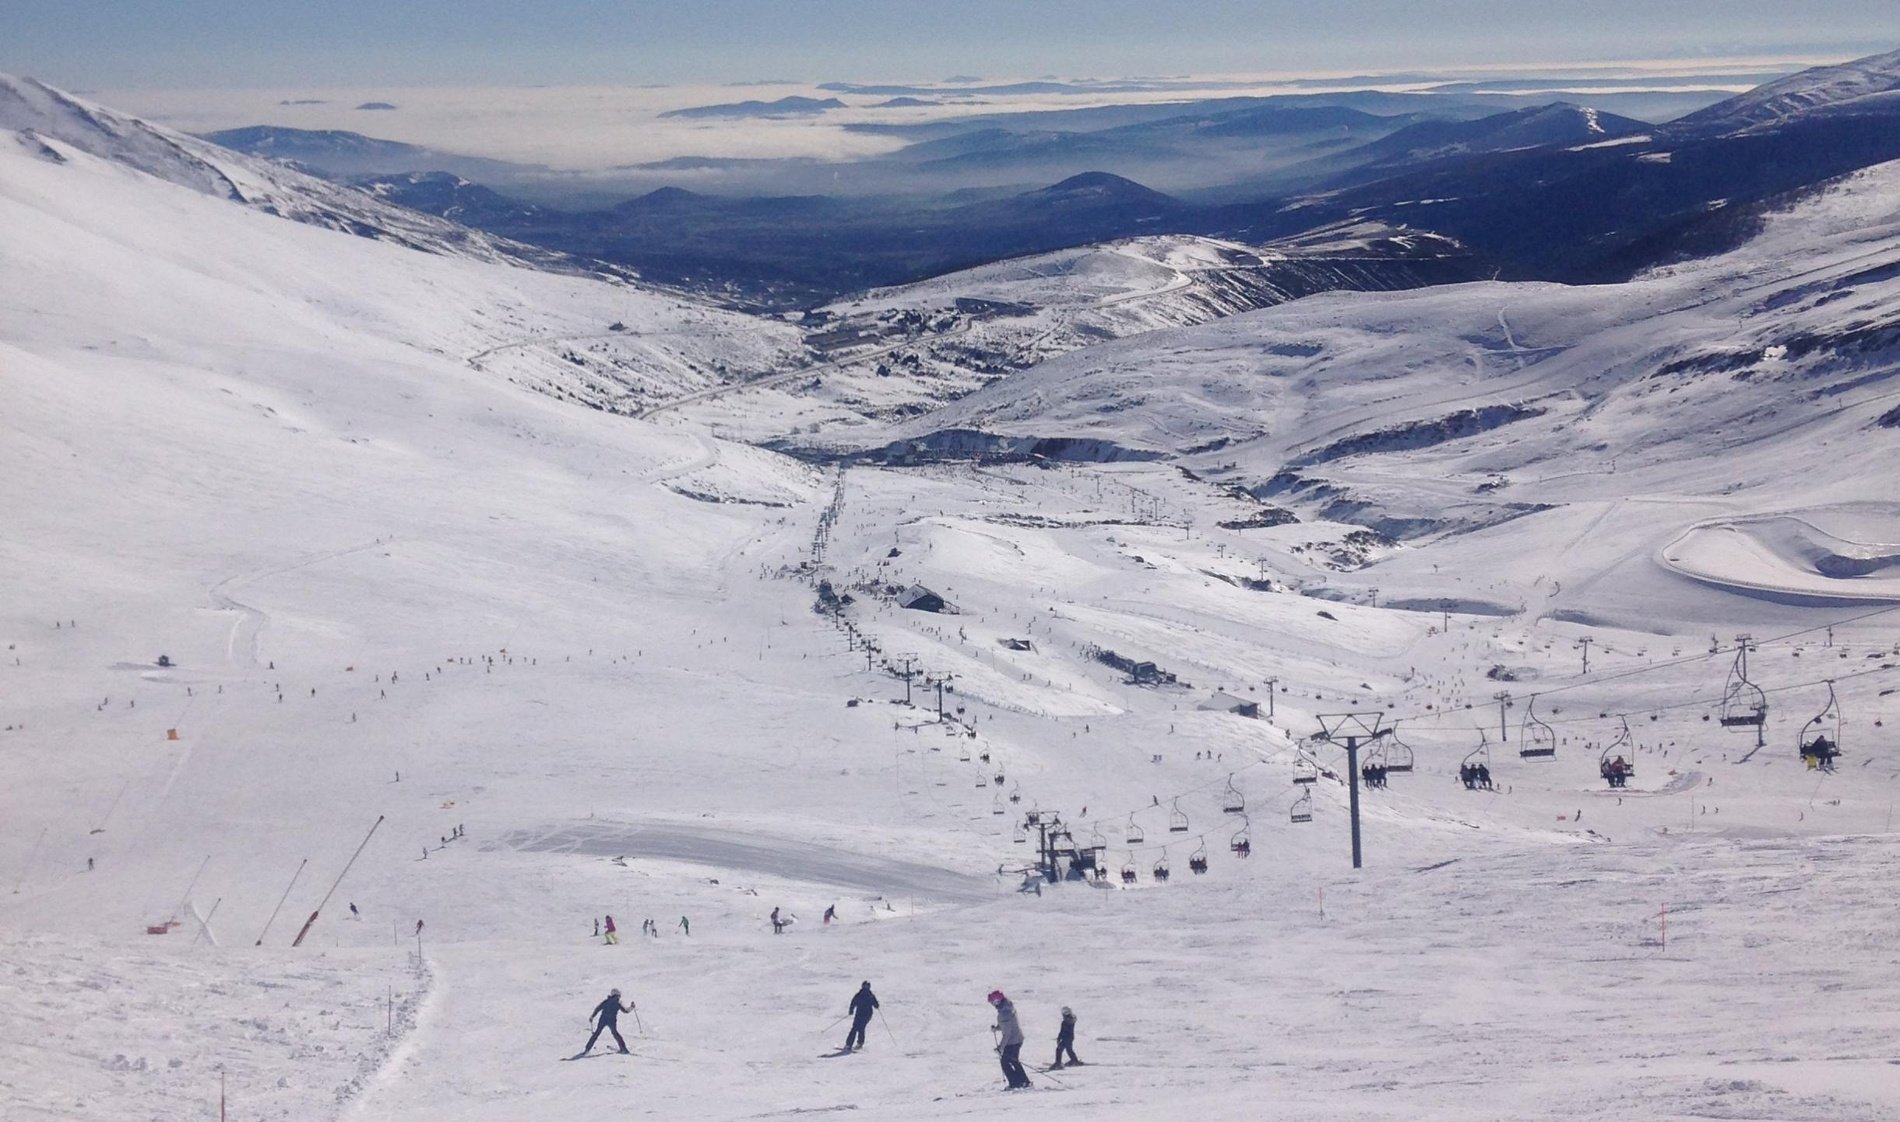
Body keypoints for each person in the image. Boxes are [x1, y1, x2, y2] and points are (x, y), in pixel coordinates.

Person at [988, 990, 1030, 1090]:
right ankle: (1024, 1081)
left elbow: (1007, 1034)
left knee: (1005, 1062)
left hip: (1013, 1041)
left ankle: (1015, 1083)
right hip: (1017, 1039)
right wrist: (997, 1028)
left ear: (997, 1001)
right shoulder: (1007, 1008)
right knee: (1014, 1061)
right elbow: (1008, 1026)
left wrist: (1000, 1048)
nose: (992, 1004)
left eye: (992, 1002)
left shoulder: (1004, 1013)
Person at [582, 988, 634, 1055]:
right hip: (611, 1021)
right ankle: (623, 1049)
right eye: (619, 995)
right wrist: (632, 1007)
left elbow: (598, 1008)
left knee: (596, 1033)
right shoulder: (618, 1003)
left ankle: (587, 1049)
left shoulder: (606, 1001)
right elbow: (626, 1011)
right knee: (615, 1034)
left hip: (603, 1020)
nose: (619, 997)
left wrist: (592, 1016)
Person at [844, 981, 878, 1052]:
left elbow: (876, 1005)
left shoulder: (870, 995)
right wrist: (851, 1010)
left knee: (859, 1028)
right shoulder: (860, 995)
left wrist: (875, 1004)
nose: (865, 988)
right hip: (860, 1014)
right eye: (864, 986)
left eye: (867, 986)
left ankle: (854, 1044)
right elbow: (853, 1002)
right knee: (857, 1028)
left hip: (866, 1015)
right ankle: (853, 1044)